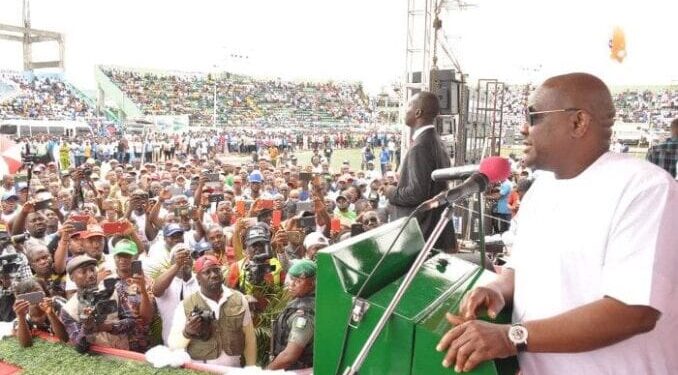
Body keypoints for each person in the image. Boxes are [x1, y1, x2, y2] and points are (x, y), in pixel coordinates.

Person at [435, 73, 678, 374]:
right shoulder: (541, 189)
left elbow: (633, 310)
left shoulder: (645, 188)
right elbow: (520, 270)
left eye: (533, 117)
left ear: (578, 122)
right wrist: (497, 289)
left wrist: (511, 337)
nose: (523, 128)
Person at [383, 92, 456, 252]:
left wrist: (389, 191)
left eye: (409, 106)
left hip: (421, 234)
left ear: (418, 112)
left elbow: (416, 194)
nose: (405, 111)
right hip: (434, 232)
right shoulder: (437, 141)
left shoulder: (420, 147)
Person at [168, 255, 256, 367]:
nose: (214, 275)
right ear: (198, 278)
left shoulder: (239, 299)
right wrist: (187, 332)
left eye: (216, 270)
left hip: (235, 370)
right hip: (202, 371)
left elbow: (250, 339)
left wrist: (251, 368)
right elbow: (173, 344)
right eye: (207, 272)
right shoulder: (185, 305)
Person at [59, 255, 135, 353]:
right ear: (72, 278)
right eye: (83, 272)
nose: (91, 275)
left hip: (123, 355)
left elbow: (131, 321)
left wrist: (109, 327)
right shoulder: (68, 310)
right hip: (96, 362)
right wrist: (87, 327)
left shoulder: (114, 292)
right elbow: (79, 348)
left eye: (92, 270)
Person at [267, 260, 316, 370]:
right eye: (291, 279)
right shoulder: (307, 299)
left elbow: (289, 357)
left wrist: (266, 372)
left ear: (312, 283)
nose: (292, 284)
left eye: (298, 281)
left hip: (298, 369)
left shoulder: (303, 316)